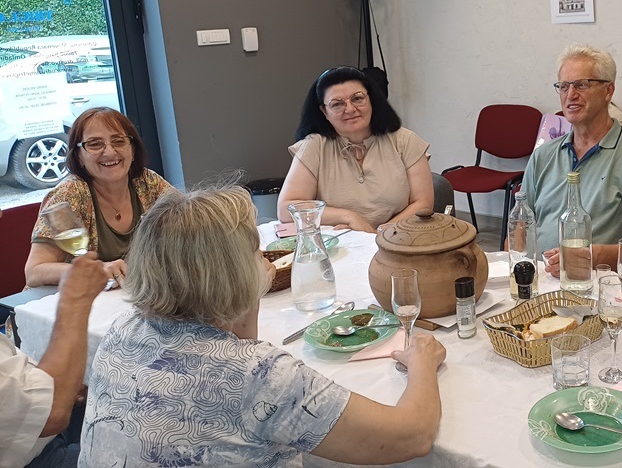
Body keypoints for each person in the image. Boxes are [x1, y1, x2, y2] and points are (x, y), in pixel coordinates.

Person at [80, 186, 446, 466]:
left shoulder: (123, 329)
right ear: (233, 273)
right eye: (256, 251)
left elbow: (233, 345)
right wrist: (423, 364)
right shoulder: (260, 374)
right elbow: (412, 436)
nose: (265, 259)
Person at [522, 44, 622, 276]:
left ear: (608, 90)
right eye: (563, 86)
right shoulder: (542, 155)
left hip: (597, 283)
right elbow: (519, 228)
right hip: (537, 279)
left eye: (581, 85)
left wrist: (589, 256)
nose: (570, 95)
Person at [25, 108, 174, 288]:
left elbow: (191, 223)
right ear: (79, 156)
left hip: (127, 296)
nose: (110, 152)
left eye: (118, 141)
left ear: (133, 150)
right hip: (65, 300)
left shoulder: (148, 182)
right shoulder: (69, 194)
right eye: (95, 144)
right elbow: (34, 272)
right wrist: (96, 270)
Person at [278, 66, 433, 232]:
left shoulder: (405, 141)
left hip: (398, 239)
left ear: (371, 99)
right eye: (337, 104)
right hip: (340, 243)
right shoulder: (314, 146)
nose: (350, 109)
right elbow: (286, 210)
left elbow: (423, 203)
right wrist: (348, 217)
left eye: (357, 98)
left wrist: (379, 233)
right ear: (324, 111)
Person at [1, 253, 109, 468]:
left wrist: (58, 380)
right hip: (36, 455)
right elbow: (52, 414)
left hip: (35, 428)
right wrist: (75, 299)